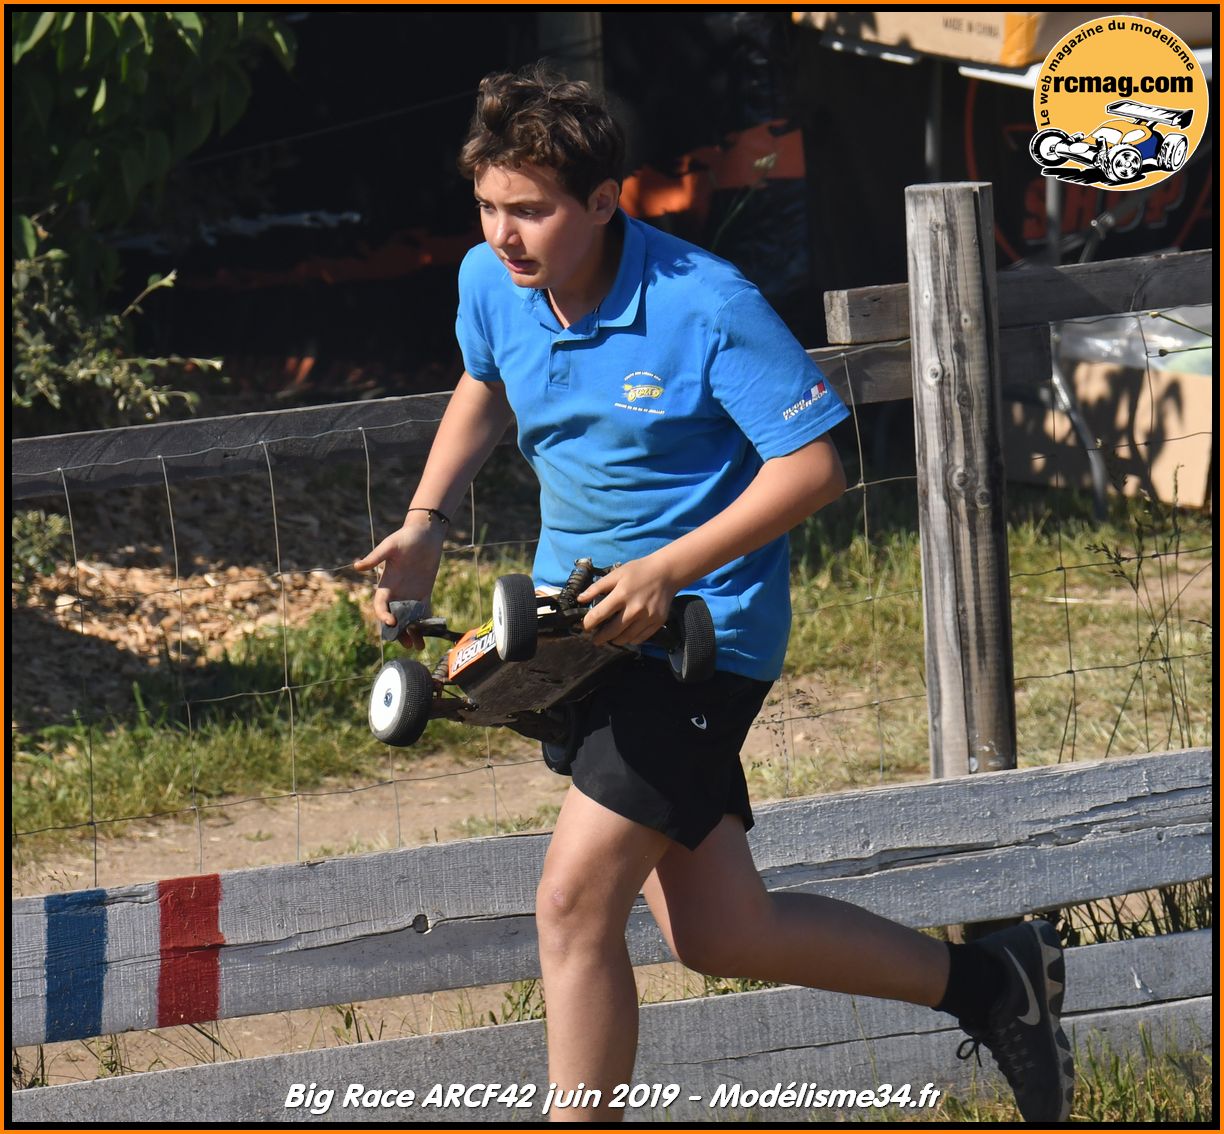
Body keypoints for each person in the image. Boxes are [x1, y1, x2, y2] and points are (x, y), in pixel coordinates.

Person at [355, 63, 1074, 1124]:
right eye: (490, 207)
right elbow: (485, 382)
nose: (505, 234)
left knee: (572, 902)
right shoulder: (489, 280)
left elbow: (814, 469)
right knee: (722, 932)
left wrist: (667, 569)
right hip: (573, 639)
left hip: (697, 638)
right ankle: (994, 984)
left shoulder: (705, 302)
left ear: (606, 201)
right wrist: (425, 523)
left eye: (533, 211)